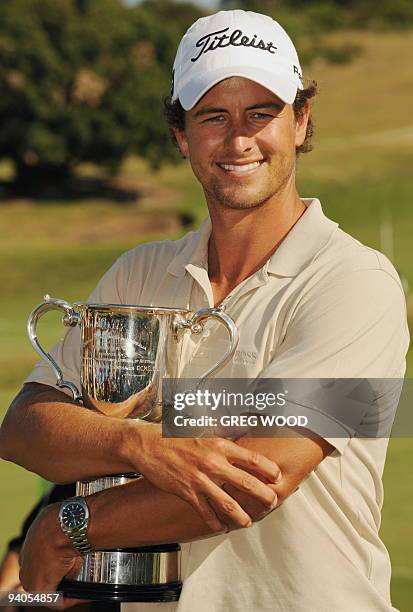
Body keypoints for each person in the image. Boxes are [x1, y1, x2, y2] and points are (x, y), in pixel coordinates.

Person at [0, 9, 409, 612]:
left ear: (300, 122)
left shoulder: (357, 282)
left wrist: (66, 526)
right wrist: (142, 447)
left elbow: (255, 484)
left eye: (261, 114)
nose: (238, 138)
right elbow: (26, 426)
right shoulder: (139, 273)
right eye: (213, 116)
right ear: (181, 136)